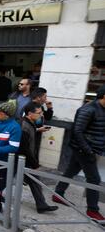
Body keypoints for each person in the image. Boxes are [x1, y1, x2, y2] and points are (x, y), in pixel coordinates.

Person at [53, 85, 105, 221]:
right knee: (94, 179)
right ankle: (92, 210)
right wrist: (88, 151)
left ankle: (58, 193)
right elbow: (77, 131)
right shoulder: (88, 109)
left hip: (89, 148)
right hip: (84, 149)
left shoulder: (101, 109)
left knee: (71, 171)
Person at [19, 102, 58, 214]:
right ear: (30, 113)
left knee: (34, 181)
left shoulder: (30, 123)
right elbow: (24, 148)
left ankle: (41, 205)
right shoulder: (24, 126)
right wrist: (35, 164)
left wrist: (37, 130)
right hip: (21, 159)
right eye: (39, 113)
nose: (41, 115)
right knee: (8, 177)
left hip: (25, 159)